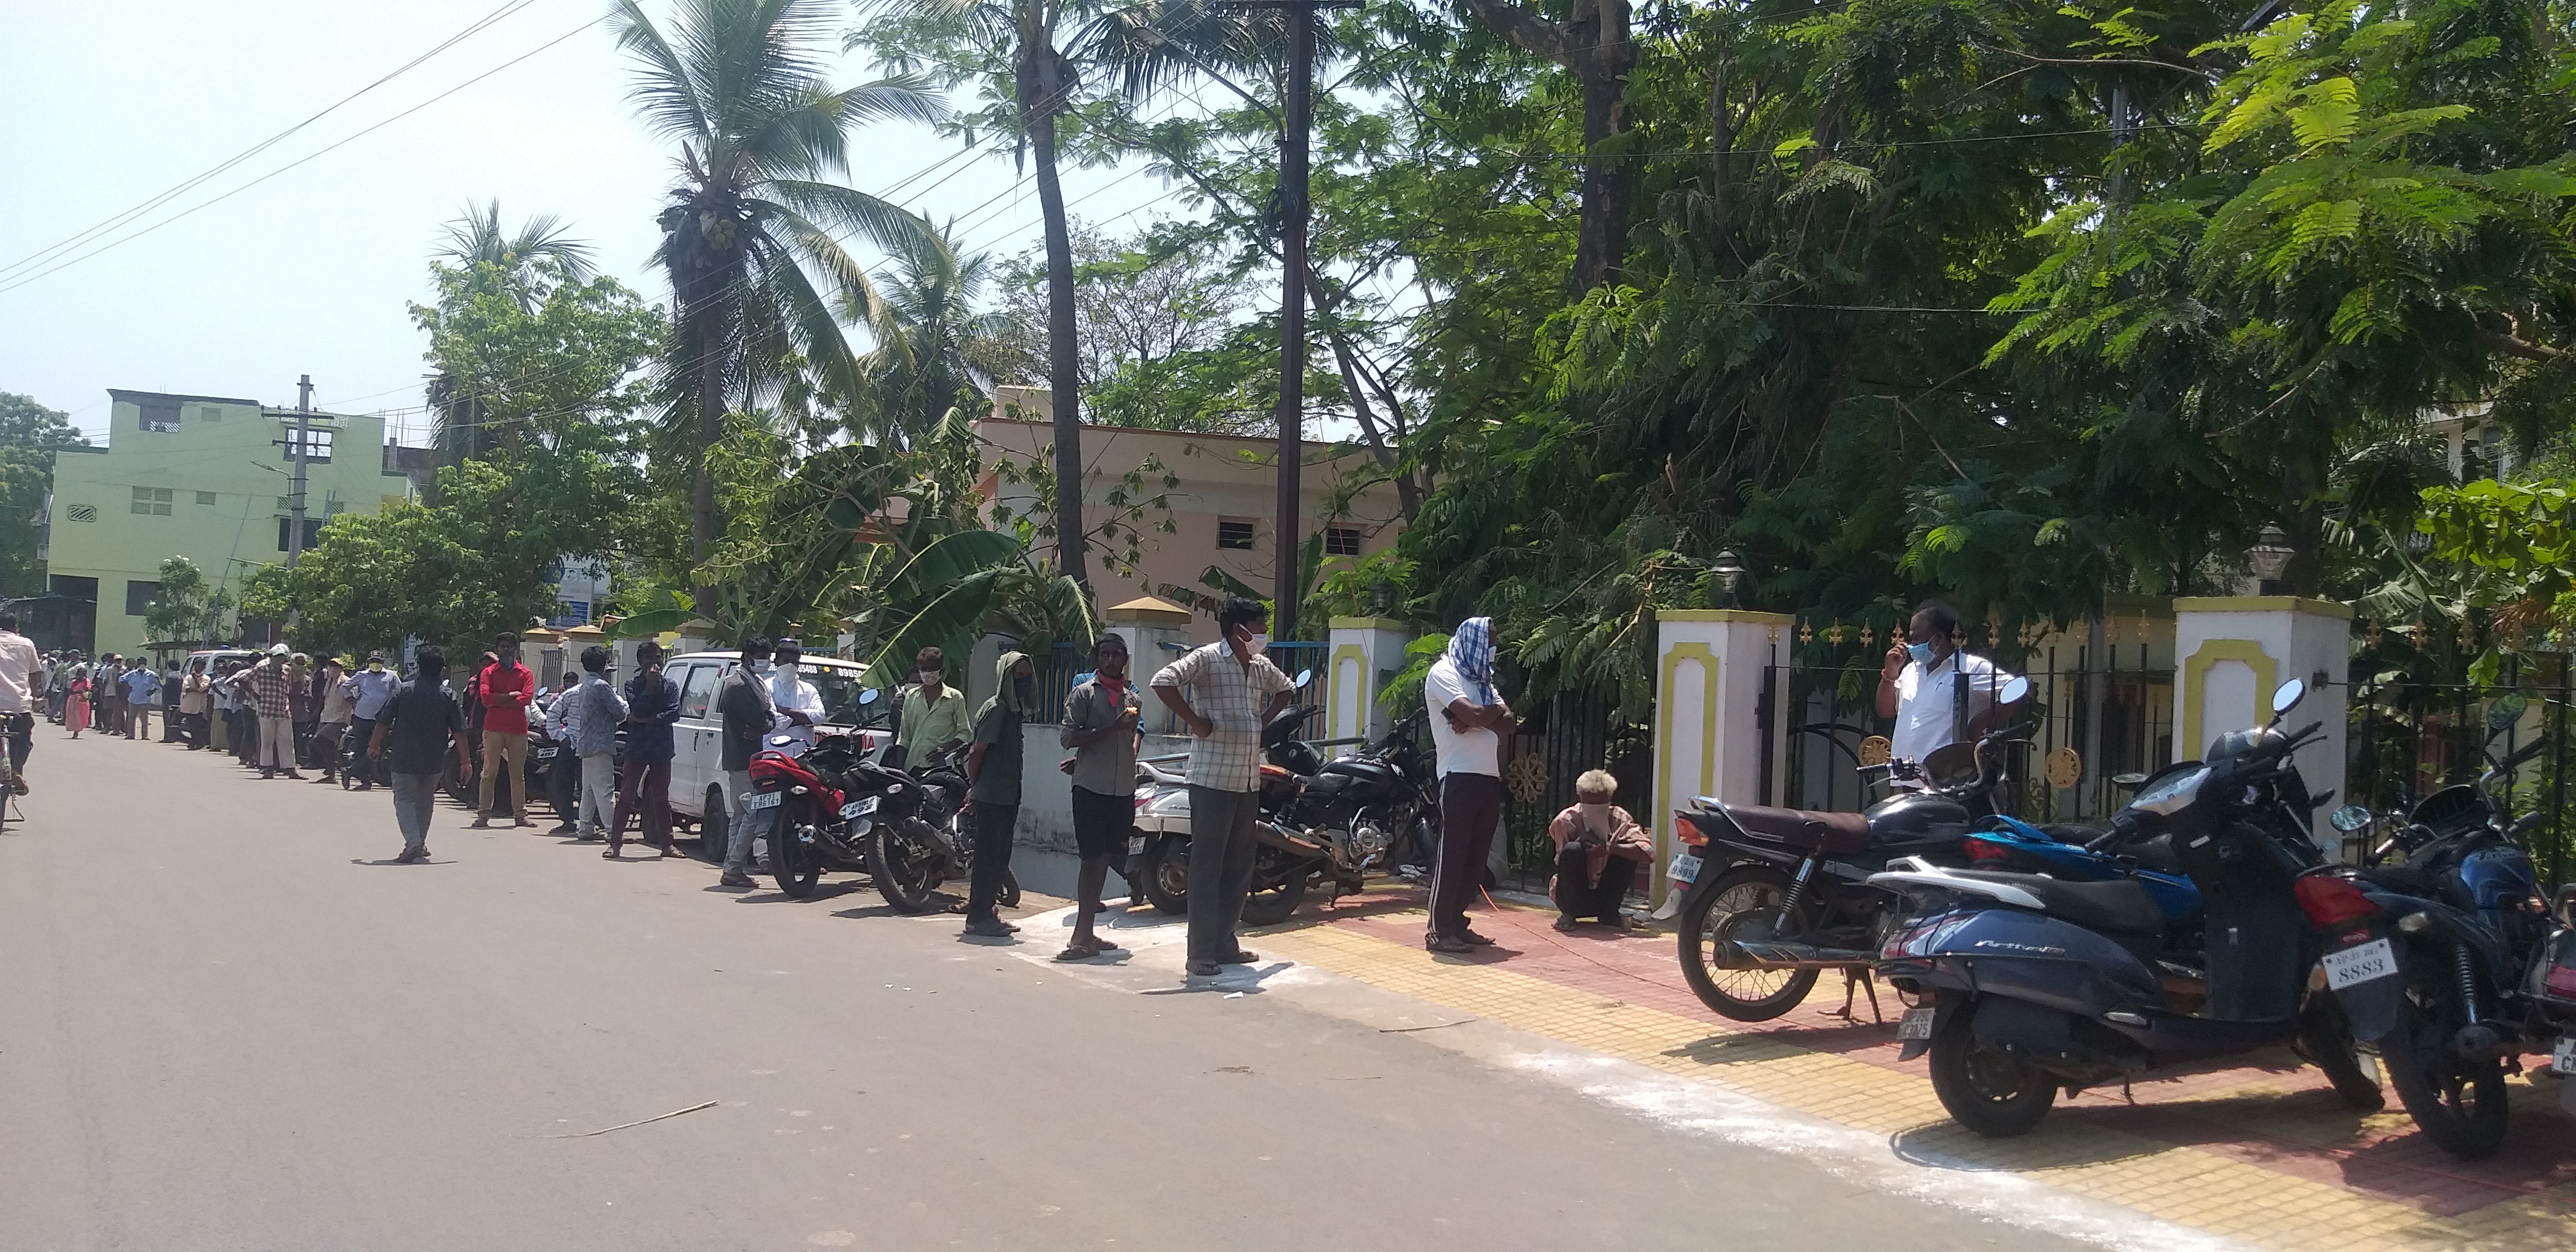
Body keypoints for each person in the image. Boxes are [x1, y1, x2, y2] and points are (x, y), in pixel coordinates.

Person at [1152, 598, 1298, 976]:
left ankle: (1225, 942)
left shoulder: (1260, 666)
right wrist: (1195, 723)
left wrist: (1262, 722)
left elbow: (1287, 690)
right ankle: (1200, 952)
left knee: (1238, 866)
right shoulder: (1206, 660)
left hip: (1248, 779)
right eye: (1258, 626)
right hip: (1211, 780)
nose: (1263, 633)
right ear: (1239, 630)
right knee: (1206, 867)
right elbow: (1162, 682)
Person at [1424, 616, 1515, 955]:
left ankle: (1457, 923)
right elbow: (1485, 716)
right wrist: (1481, 716)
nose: (1493, 648)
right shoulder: (1444, 673)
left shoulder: (1483, 681)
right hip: (1457, 776)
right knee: (1453, 856)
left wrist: (1477, 717)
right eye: (1489, 641)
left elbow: (1509, 724)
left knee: (1476, 860)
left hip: (1488, 777)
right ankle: (1438, 930)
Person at [1057, 634, 1141, 958]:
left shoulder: (1133, 698)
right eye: (1104, 654)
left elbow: (1130, 739)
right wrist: (1112, 729)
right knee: (1092, 859)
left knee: (1109, 857)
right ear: (1096, 659)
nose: (1110, 660)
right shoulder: (1083, 695)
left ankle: (1088, 933)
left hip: (1122, 788)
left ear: (1125, 659)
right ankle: (1080, 935)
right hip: (1091, 788)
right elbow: (1068, 737)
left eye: (1116, 655)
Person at [1875, 599, 2022, 771]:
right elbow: (1885, 710)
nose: (1911, 645)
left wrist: (1977, 725)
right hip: (1907, 775)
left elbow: (2017, 690)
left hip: (1946, 778)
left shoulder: (1970, 667)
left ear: (1938, 639)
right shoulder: (1910, 670)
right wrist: (1890, 674)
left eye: (1916, 638)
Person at [370, 646, 472, 864]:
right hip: (434, 759)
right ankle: (419, 843)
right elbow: (460, 732)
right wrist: (465, 761)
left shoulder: (404, 691)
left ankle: (414, 843)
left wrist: (373, 746)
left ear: (419, 667)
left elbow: (383, 722)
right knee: (425, 800)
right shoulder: (448, 695)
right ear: (442, 670)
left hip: (404, 756)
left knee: (405, 799)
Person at [961, 650, 1036, 939]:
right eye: (1018, 676)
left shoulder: (1013, 710)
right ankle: (978, 917)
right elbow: (977, 752)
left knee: (1000, 857)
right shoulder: (998, 710)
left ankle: (988, 911)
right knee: (988, 858)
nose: (1025, 681)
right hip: (993, 794)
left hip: (1007, 794)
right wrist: (975, 786)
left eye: (1028, 675)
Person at [1547, 770, 1653, 932]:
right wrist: (1583, 846)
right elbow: (1563, 861)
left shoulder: (1620, 818)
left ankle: (1609, 914)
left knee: (1628, 850)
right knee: (1572, 850)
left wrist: (1610, 848)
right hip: (1574, 895)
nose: (1596, 809)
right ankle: (1569, 914)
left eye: (1601, 804)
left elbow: (1649, 853)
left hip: (1606, 895)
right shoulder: (1566, 820)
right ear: (1581, 799)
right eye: (1591, 804)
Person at [714, 637, 778, 889]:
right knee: (752, 813)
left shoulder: (750, 683)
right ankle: (733, 868)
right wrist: (767, 723)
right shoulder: (740, 686)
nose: (765, 661)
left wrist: (766, 723)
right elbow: (764, 721)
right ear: (747, 656)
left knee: (740, 816)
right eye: (761, 655)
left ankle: (732, 866)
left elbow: (765, 720)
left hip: (741, 757)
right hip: (743, 758)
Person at [609, 639, 682, 857]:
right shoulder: (632, 684)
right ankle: (615, 844)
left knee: (661, 797)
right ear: (640, 661)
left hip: (661, 746)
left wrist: (646, 720)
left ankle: (667, 845)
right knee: (626, 796)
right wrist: (650, 686)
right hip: (638, 746)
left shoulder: (671, 686)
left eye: (657, 656)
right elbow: (637, 708)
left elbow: (674, 714)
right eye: (649, 657)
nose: (654, 661)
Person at [471, 632, 536, 829]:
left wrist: (499, 699)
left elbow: (526, 699)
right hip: (493, 729)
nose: (506, 650)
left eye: (509, 647)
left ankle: (520, 815)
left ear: (515, 649)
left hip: (518, 730)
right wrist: (511, 696)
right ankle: (483, 814)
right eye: (502, 647)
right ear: (497, 649)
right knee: (489, 772)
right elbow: (485, 699)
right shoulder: (489, 673)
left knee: (517, 775)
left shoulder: (525, 673)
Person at [566, 646, 627, 851]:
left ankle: (585, 827)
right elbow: (619, 712)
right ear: (603, 665)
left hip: (586, 743)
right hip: (601, 743)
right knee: (605, 790)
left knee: (590, 790)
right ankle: (613, 830)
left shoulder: (585, 685)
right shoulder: (602, 686)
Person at [896, 646, 970, 767]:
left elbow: (964, 733)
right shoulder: (911, 696)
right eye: (924, 670)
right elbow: (904, 736)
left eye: (932, 670)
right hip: (913, 765)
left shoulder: (955, 698)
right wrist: (899, 769)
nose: (928, 674)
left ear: (941, 671)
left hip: (941, 767)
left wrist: (944, 749)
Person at [240, 644, 302, 779]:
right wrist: (254, 694)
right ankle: (268, 768)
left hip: (283, 711)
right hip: (266, 711)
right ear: (271, 658)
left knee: (287, 741)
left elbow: (292, 686)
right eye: (276, 657)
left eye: (281, 657)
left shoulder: (287, 670)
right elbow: (242, 680)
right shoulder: (261, 669)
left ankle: (291, 769)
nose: (279, 660)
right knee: (267, 742)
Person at [342, 650, 400, 790]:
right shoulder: (361, 675)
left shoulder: (391, 676)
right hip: (361, 717)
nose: (376, 664)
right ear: (368, 662)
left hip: (382, 719)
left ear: (383, 663)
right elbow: (345, 687)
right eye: (373, 661)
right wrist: (353, 701)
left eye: (378, 661)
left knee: (377, 748)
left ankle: (350, 770)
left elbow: (399, 692)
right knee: (361, 748)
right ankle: (365, 781)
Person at [540, 670, 585, 836]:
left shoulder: (603, 691)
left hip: (590, 746)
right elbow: (552, 713)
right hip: (570, 743)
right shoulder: (569, 694)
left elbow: (622, 711)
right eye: (569, 680)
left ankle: (591, 823)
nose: (571, 683)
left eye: (574, 680)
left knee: (587, 786)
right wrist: (560, 736)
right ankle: (568, 821)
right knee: (561, 782)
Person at [0, 611, 40, 791]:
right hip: (19, 706)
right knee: (24, 738)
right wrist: (35, 695)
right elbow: (35, 673)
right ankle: (16, 769)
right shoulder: (26, 643)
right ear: (16, 628)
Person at [767, 637, 827, 749]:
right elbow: (772, 720)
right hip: (772, 752)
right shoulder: (765, 687)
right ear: (776, 662)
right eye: (786, 662)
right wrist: (805, 720)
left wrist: (784, 711)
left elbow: (820, 716)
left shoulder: (809, 689)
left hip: (802, 752)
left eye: (794, 663)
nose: (790, 666)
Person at [311, 657, 351, 782]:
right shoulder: (328, 681)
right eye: (331, 666)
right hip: (327, 715)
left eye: (336, 667)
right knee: (321, 743)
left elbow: (351, 699)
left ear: (341, 669)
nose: (333, 669)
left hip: (340, 718)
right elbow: (324, 698)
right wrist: (318, 711)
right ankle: (331, 771)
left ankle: (335, 765)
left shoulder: (346, 682)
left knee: (320, 739)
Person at [119, 657, 160, 741]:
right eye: (141, 663)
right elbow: (121, 679)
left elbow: (158, 684)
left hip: (145, 699)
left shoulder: (151, 674)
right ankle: (130, 734)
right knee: (131, 718)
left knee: (145, 719)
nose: (142, 664)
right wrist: (127, 688)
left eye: (144, 663)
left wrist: (153, 691)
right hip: (133, 698)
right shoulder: (132, 674)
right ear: (137, 664)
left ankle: (145, 735)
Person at [65, 662, 93, 741]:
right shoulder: (74, 681)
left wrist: (80, 692)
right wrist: (77, 692)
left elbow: (87, 689)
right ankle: (75, 731)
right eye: (81, 673)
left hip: (82, 700)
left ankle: (78, 730)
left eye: (84, 673)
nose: (82, 675)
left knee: (81, 715)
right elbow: (70, 691)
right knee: (73, 716)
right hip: (73, 700)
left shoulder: (87, 681)